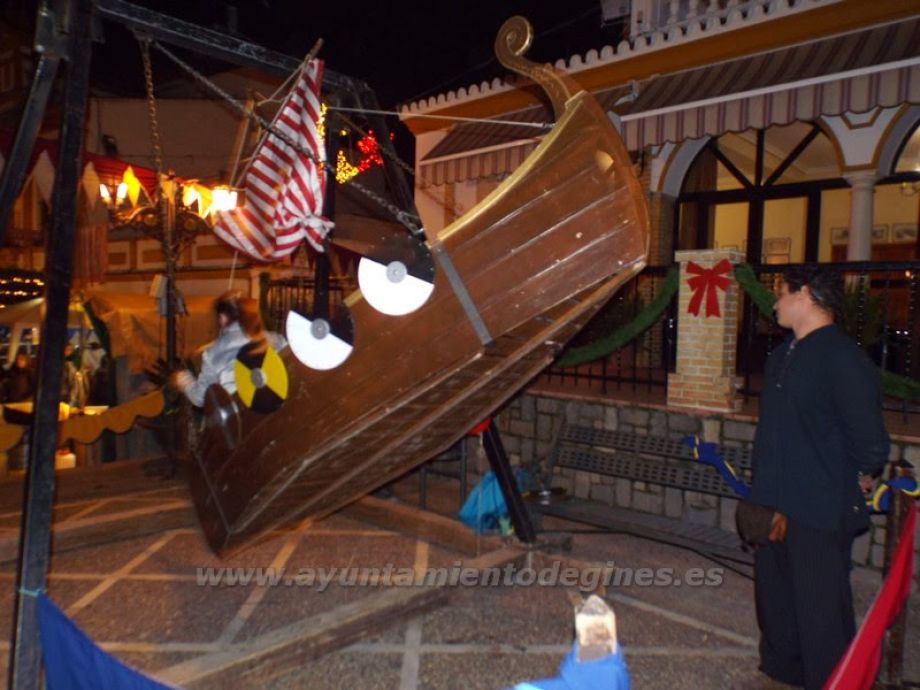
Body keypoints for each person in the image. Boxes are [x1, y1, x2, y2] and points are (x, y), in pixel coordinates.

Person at [748, 268, 890, 690]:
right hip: (774, 502)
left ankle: (832, 682)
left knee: (821, 610)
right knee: (777, 602)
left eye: (781, 293)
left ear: (805, 294)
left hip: (818, 508)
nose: (775, 303)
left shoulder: (843, 359)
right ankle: (783, 674)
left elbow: (869, 440)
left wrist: (859, 476)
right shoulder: (782, 356)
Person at [172, 290, 284, 407]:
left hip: (240, 414)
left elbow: (201, 398)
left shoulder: (212, 353)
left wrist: (184, 381)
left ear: (223, 317)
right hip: (277, 410)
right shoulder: (275, 340)